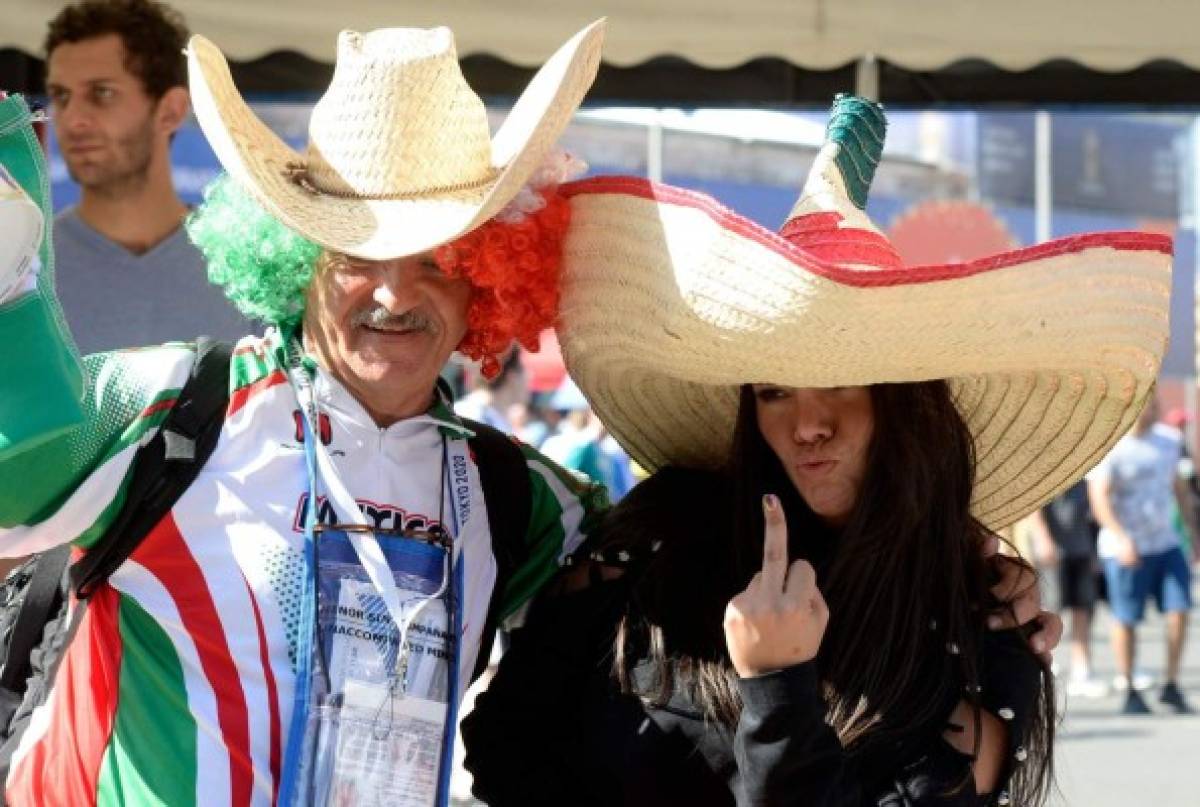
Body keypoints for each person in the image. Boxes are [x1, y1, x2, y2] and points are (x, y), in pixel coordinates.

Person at [464, 96, 1171, 805]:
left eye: (838, 384)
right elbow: (505, 745)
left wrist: (776, 686)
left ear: (903, 404)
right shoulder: (662, 531)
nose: (807, 424)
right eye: (773, 391)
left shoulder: (982, 617)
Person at [0, 17, 605, 804]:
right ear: (295, 257)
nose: (396, 294)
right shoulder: (173, 409)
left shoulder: (518, 497)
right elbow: (15, 467)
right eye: (356, 254)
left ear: (485, 280)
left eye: (439, 259)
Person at [44, 0, 250, 353]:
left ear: (171, 111)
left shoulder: (246, 268)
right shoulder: (23, 274)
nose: (72, 119)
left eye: (102, 93)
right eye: (61, 96)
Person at [1088, 395, 1197, 715]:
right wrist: (1122, 538)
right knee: (1126, 617)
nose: (1148, 410)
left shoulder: (1169, 440)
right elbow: (1099, 498)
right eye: (1142, 405)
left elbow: (1178, 488)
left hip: (1166, 542)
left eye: (1152, 404)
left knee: (1179, 609)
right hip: (1124, 547)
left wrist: (1192, 532)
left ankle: (1171, 684)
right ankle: (1129, 686)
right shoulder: (1110, 444)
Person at [1028, 482, 1107, 698]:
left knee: (1083, 608)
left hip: (1082, 548)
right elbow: (1033, 507)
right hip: (1053, 551)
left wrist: (1095, 552)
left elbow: (1095, 510)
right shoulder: (1045, 475)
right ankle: (1043, 662)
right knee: (1048, 610)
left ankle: (1082, 668)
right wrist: (1043, 538)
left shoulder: (1085, 478)